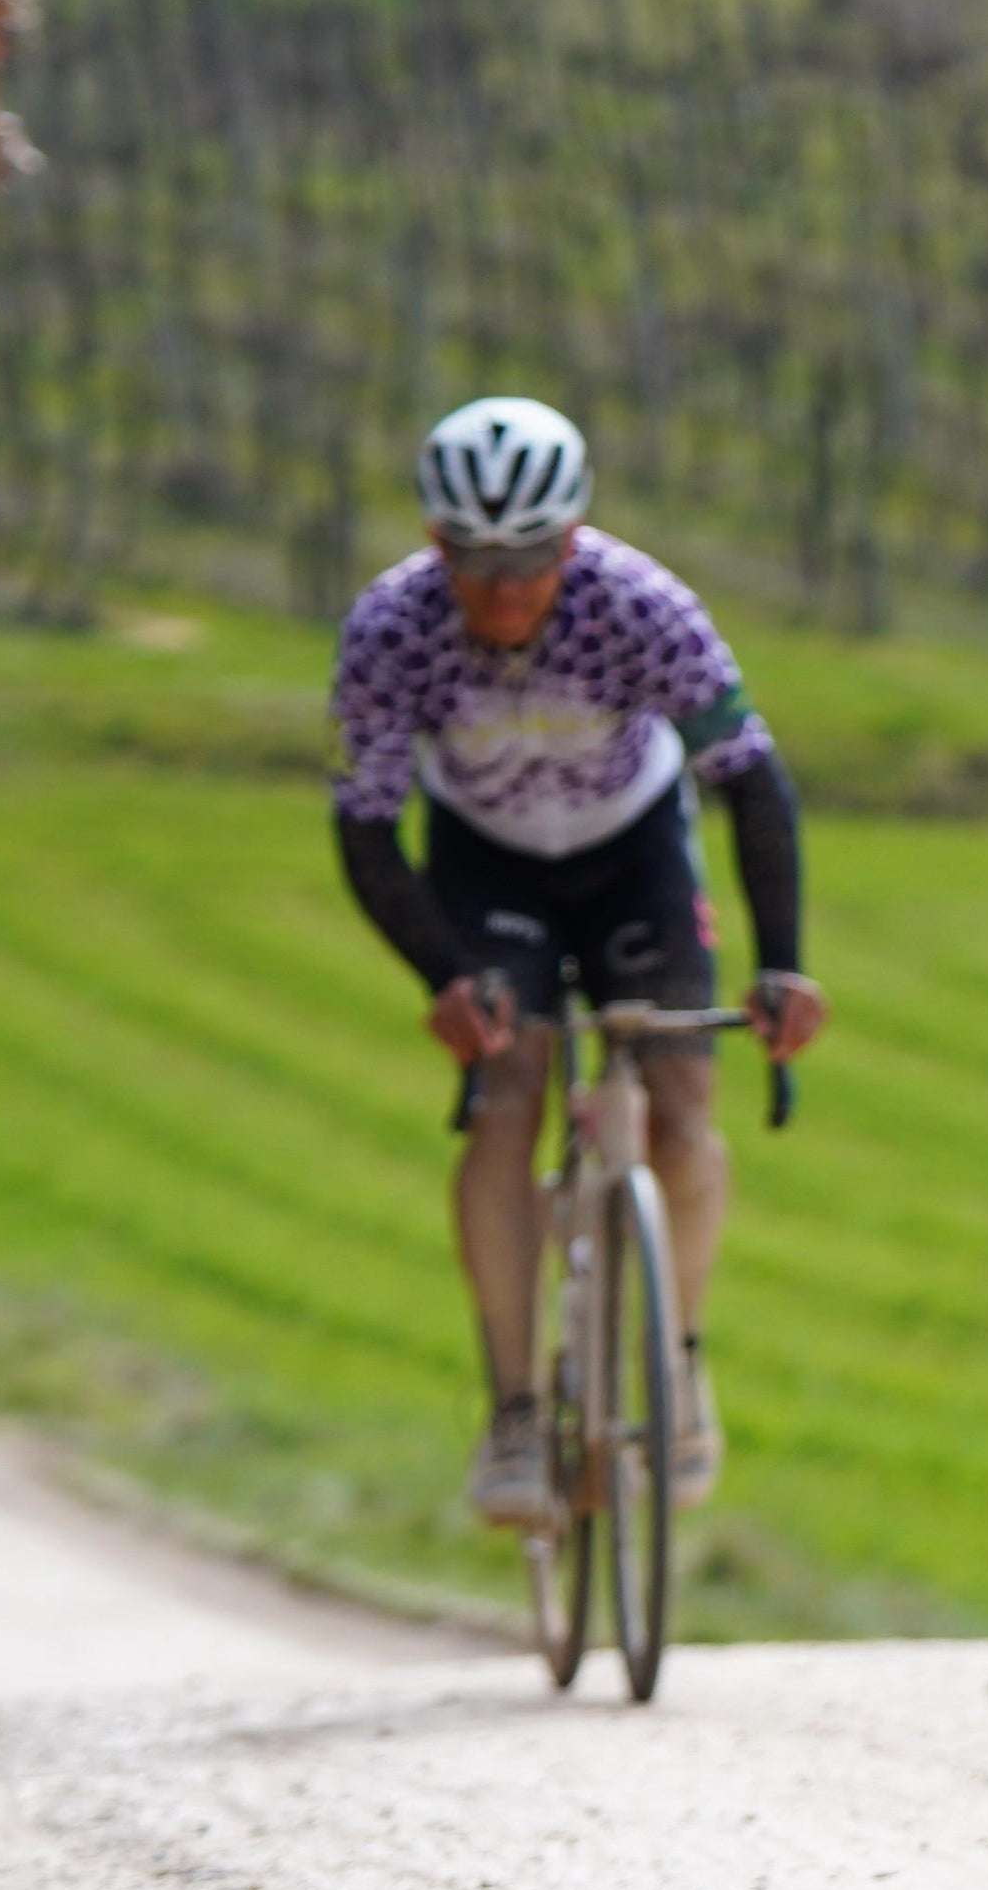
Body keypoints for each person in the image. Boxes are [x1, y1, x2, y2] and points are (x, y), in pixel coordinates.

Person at [327, 397, 831, 1525]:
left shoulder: (640, 604)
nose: (505, 593)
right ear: (431, 542)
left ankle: (679, 1358)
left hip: (631, 853)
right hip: (487, 864)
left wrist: (783, 966)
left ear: (575, 537)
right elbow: (365, 824)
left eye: (531, 561)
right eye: (476, 563)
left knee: (681, 1095)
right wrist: (442, 980)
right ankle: (512, 1409)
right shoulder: (390, 629)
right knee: (506, 1093)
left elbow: (751, 780)